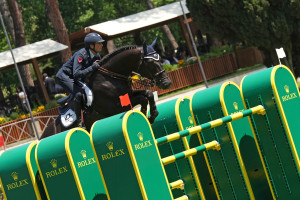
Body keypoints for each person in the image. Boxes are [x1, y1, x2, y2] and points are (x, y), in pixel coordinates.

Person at [56, 32, 105, 127]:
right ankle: (79, 121)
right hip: (64, 76)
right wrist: (92, 68)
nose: (102, 45)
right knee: (78, 94)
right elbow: (77, 74)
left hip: (75, 76)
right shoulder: (81, 55)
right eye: (99, 43)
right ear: (91, 46)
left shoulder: (97, 55)